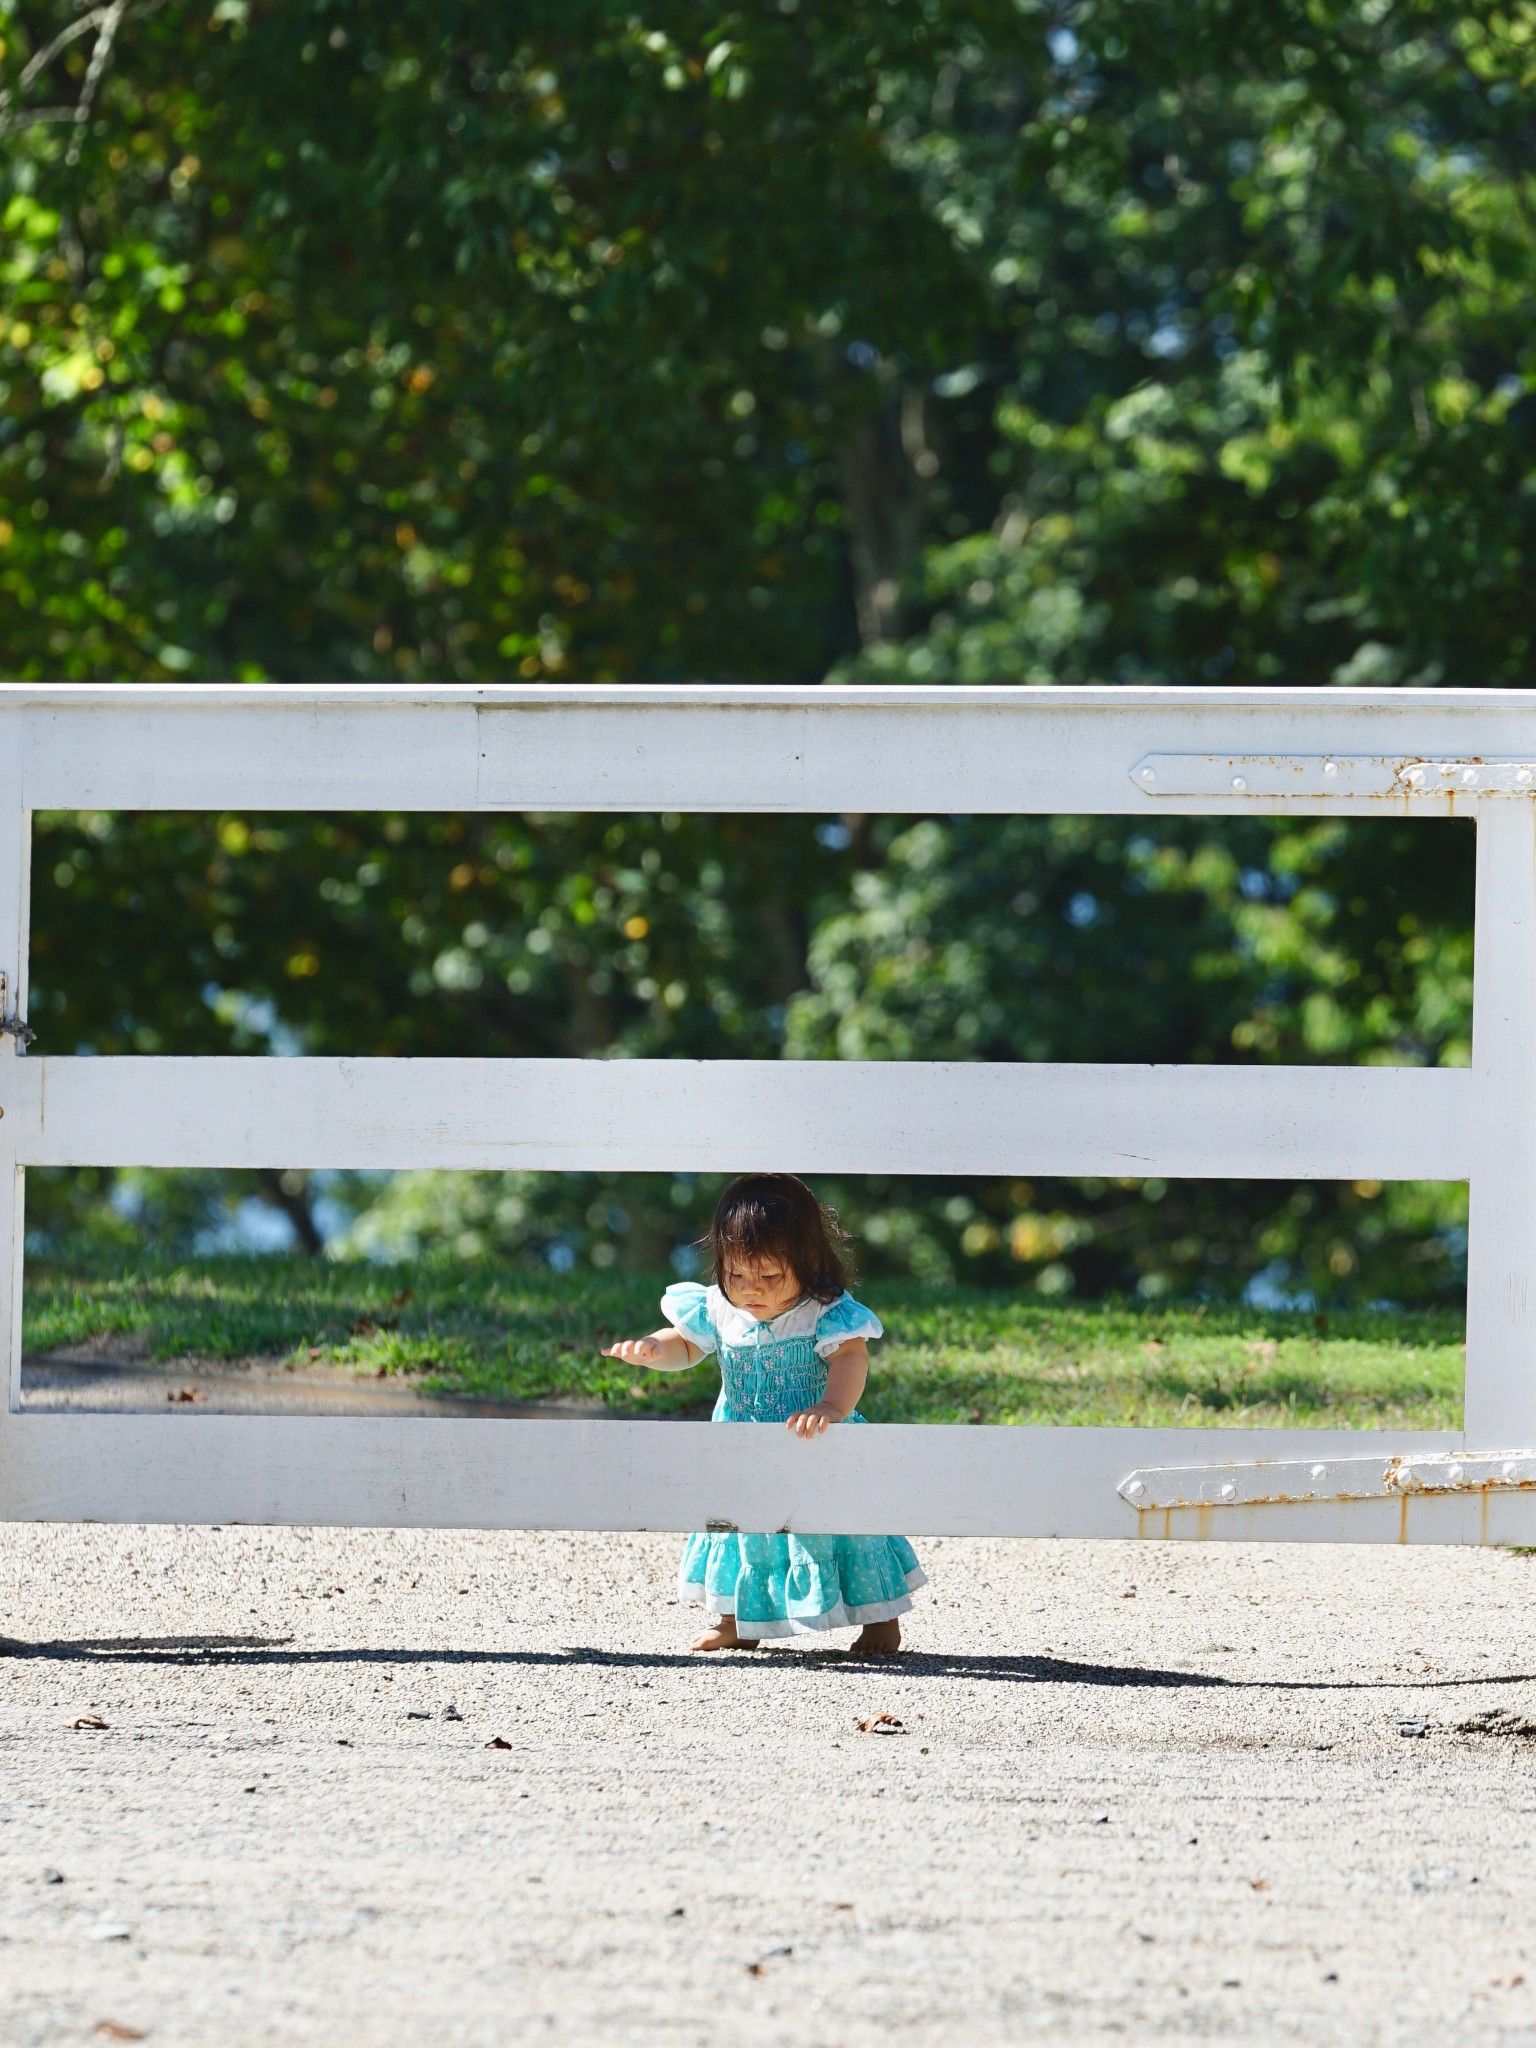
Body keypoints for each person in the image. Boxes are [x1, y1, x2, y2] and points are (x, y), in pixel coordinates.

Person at [600, 1172, 925, 1655]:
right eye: (736, 1275)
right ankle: (737, 1619)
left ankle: (879, 1620)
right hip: (742, 1444)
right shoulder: (721, 1308)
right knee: (739, 1529)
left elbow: (851, 1357)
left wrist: (833, 1406)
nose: (751, 1289)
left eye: (769, 1276)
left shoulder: (825, 1311)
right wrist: (652, 1348)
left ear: (809, 1261)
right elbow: (686, 1347)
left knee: (845, 1528)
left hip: (816, 1439)